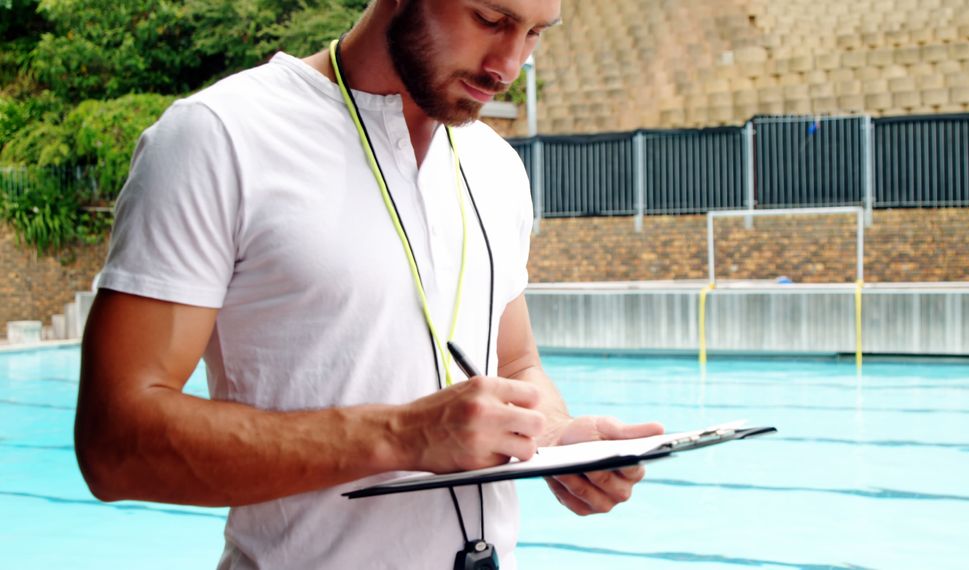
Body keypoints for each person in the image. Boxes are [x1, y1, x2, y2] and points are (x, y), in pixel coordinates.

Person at [74, 0, 663, 568]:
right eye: (490, 19)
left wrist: (557, 440)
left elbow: (515, 366)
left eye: (535, 33)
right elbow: (114, 444)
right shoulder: (219, 137)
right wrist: (402, 435)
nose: (508, 65)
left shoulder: (496, 166)